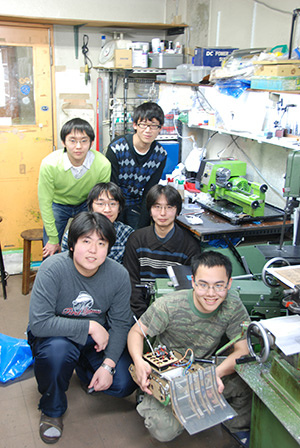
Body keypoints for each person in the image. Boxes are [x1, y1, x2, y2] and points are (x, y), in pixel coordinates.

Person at [27, 211, 136, 444]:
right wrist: (89, 325)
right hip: (55, 336)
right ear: (72, 243)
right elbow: (39, 323)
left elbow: (120, 323)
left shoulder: (118, 275)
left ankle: (83, 368)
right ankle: (52, 409)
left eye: (101, 243)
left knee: (124, 382)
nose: (93, 250)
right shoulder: (52, 269)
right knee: (57, 354)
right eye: (86, 241)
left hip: (94, 342)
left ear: (109, 248)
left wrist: (108, 365)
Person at [127, 250, 252, 445]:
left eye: (219, 286)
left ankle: (236, 429)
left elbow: (243, 350)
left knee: (249, 384)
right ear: (193, 281)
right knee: (164, 430)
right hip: (168, 375)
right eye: (203, 285)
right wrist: (138, 360)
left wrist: (212, 377)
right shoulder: (168, 306)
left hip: (205, 368)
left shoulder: (233, 306)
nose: (211, 294)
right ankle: (147, 400)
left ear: (229, 283)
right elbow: (136, 332)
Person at [123, 184, 200, 318]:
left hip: (175, 313)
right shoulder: (136, 240)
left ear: (177, 211)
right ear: (150, 210)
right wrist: (144, 317)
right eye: (157, 207)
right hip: (140, 312)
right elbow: (131, 284)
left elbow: (188, 291)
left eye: (169, 207)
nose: (162, 213)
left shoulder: (189, 246)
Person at [38, 117, 111, 257]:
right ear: (63, 142)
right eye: (72, 140)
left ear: (91, 142)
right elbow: (45, 201)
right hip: (58, 203)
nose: (78, 146)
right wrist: (53, 239)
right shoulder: (50, 164)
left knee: (88, 243)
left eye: (84, 141)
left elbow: (100, 200)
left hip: (86, 203)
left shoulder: (103, 164)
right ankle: (51, 275)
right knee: (51, 248)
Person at [105, 102, 167, 229]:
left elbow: (149, 192)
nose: (148, 130)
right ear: (135, 125)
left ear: (160, 128)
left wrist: (142, 225)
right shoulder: (117, 147)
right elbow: (111, 185)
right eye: (143, 125)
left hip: (137, 206)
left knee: (137, 240)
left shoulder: (160, 155)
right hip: (114, 202)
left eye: (153, 126)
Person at [61, 182, 134, 264]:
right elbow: (66, 263)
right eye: (100, 204)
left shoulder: (127, 233)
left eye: (112, 204)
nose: (107, 209)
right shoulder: (76, 230)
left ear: (119, 208)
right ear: (91, 206)